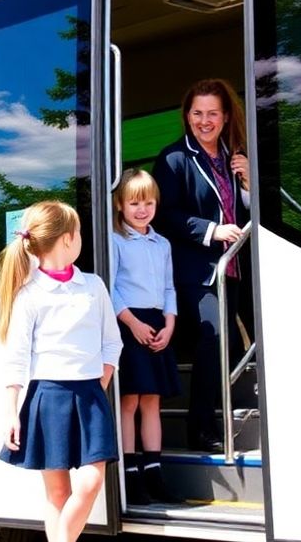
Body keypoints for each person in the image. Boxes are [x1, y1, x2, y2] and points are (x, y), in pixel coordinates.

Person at [0, 200, 123, 542]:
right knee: (56, 494)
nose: (82, 237)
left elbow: (112, 343)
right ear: (67, 239)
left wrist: (101, 383)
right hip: (48, 397)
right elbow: (16, 357)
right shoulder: (29, 294)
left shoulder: (93, 286)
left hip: (91, 395)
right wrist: (11, 412)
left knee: (91, 481)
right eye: (80, 231)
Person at [151, 78, 255, 453]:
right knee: (212, 340)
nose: (204, 120)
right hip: (197, 271)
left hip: (235, 268)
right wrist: (212, 230)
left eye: (212, 113)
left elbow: (246, 210)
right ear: (187, 116)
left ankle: (214, 421)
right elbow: (163, 216)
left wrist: (247, 182)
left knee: (231, 343)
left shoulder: (235, 157)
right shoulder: (174, 158)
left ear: (226, 117)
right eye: (197, 113)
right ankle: (201, 429)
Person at [109, 169, 184, 505]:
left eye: (149, 203)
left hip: (157, 323)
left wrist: (169, 324)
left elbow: (169, 287)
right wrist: (132, 324)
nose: (142, 209)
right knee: (130, 401)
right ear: (120, 205)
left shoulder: (162, 243)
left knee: (152, 400)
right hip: (128, 322)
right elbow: (109, 289)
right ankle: (132, 476)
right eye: (134, 203)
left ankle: (155, 472)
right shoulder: (115, 240)